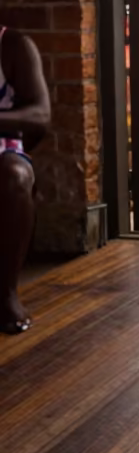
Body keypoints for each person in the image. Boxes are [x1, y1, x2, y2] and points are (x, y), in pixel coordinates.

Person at [0, 24, 50, 334]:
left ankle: (5, 294)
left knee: (15, 177)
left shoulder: (13, 45)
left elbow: (41, 115)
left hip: (3, 144)